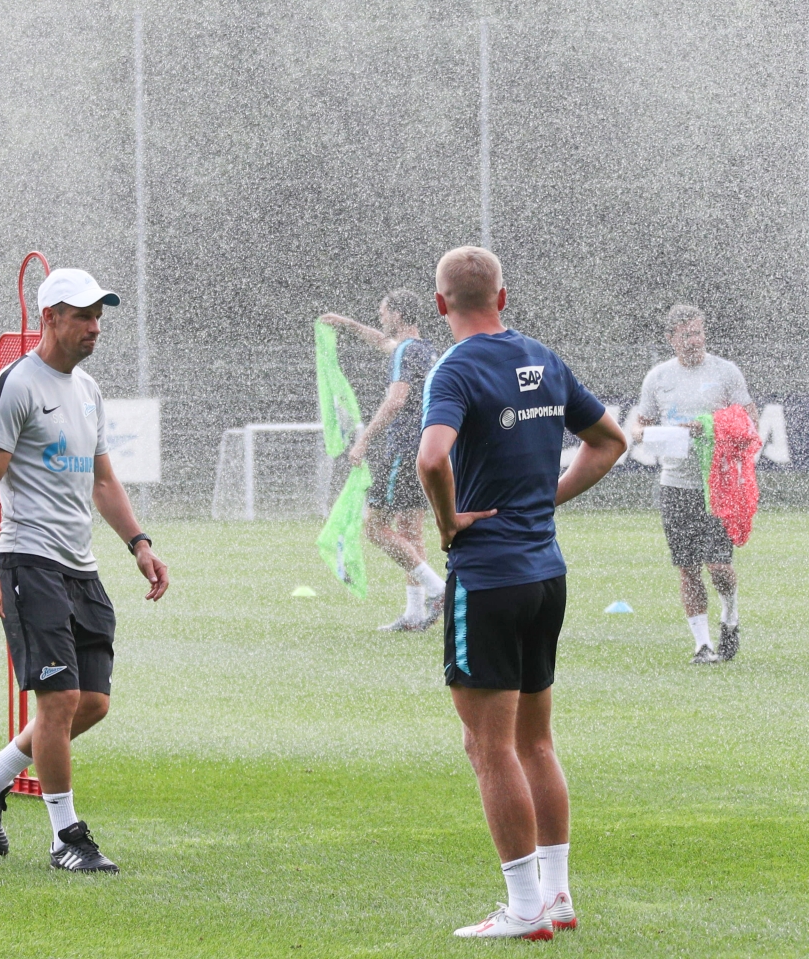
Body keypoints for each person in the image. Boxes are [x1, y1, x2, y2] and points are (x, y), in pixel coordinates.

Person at [416, 247, 627, 940]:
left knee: (488, 746)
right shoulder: (543, 356)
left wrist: (447, 522)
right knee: (536, 741)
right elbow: (609, 441)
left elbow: (431, 456)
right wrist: (546, 498)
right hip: (546, 574)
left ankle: (524, 907)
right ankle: (558, 895)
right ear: (502, 297)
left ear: (442, 304)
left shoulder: (455, 368)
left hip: (490, 577)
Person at [0, 267, 169, 874]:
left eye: (99, 316)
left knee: (91, 702)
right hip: (28, 560)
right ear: (49, 319)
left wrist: (139, 543)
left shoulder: (90, 390)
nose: (95, 327)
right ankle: (66, 837)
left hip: (81, 564)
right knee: (59, 698)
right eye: (82, 316)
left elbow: (102, 479)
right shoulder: (15, 385)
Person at [633, 305, 757, 664]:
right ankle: (703, 646)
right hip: (674, 485)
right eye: (686, 334)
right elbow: (639, 423)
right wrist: (644, 434)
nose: (695, 340)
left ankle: (730, 616)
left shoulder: (725, 372)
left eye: (699, 332)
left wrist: (710, 426)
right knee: (687, 568)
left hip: (715, 485)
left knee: (719, 567)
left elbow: (749, 420)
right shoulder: (658, 378)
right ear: (671, 338)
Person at [320, 288, 447, 631]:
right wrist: (347, 324)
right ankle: (414, 615)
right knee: (409, 530)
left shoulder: (406, 352)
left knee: (374, 527)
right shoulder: (422, 349)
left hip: (404, 449)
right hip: (425, 447)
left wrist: (364, 439)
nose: (381, 317)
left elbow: (396, 401)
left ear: (398, 315)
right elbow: (381, 342)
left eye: (383, 312)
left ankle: (439, 590)